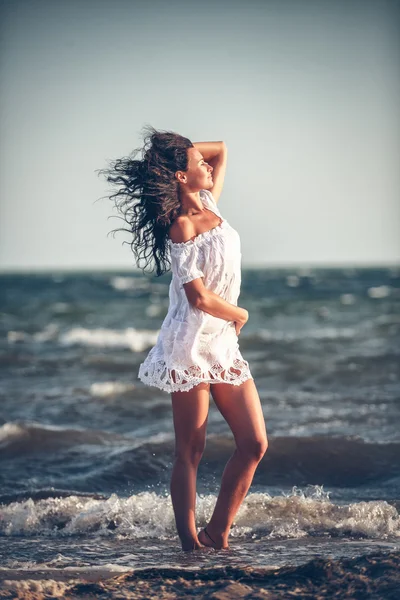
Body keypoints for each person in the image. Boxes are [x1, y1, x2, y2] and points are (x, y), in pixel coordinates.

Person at [98, 126, 268, 551]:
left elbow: (223, 148)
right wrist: (240, 313)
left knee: (254, 443)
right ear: (179, 177)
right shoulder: (182, 228)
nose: (208, 167)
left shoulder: (211, 202)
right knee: (189, 451)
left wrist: (182, 152)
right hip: (190, 344)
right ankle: (192, 545)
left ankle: (217, 532)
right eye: (197, 165)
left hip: (223, 345)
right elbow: (198, 297)